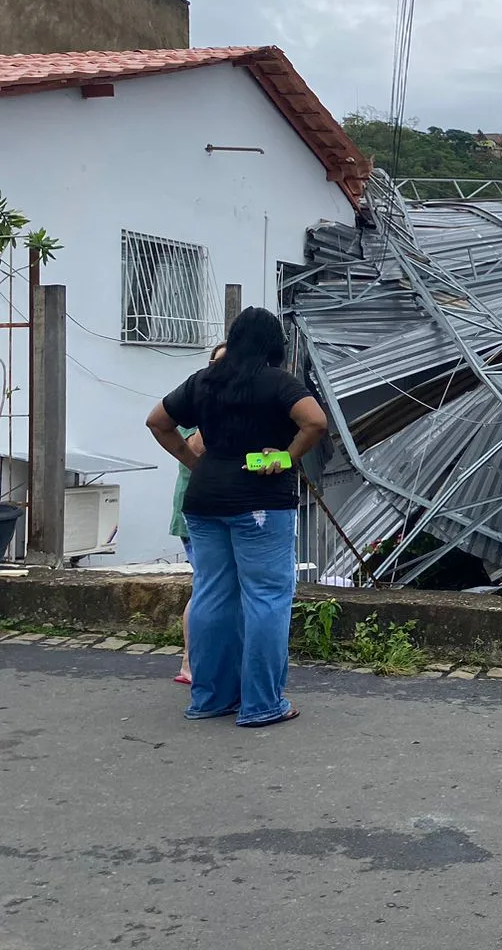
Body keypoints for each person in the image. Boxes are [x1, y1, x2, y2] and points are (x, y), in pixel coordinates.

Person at [146, 308, 327, 727]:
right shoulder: (276, 381)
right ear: (273, 344)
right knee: (266, 598)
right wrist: (285, 457)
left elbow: (158, 421)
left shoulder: (204, 380)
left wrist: (193, 460)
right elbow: (314, 422)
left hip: (205, 500)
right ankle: (262, 704)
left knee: (212, 594)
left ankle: (209, 698)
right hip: (260, 501)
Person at [170, 343, 226, 686]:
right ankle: (190, 663)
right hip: (196, 512)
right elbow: (192, 449)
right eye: (220, 362)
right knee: (206, 586)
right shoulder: (201, 401)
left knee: (207, 585)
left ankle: (199, 660)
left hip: (213, 509)